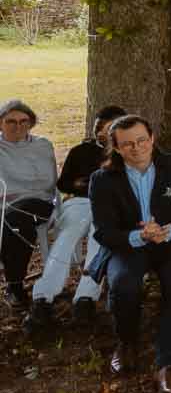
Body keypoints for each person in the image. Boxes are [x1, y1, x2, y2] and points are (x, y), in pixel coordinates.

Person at [87, 115, 171, 393]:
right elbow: (103, 232)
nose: (136, 148)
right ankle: (126, 343)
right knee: (124, 283)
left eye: (141, 140)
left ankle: (167, 363)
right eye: (127, 144)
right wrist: (139, 236)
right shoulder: (102, 179)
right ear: (115, 147)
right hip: (129, 245)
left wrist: (169, 230)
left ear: (152, 139)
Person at [25, 104, 126, 334]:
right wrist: (80, 184)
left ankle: (85, 299)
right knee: (66, 237)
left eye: (107, 127)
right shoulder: (81, 151)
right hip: (79, 202)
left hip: (110, 207)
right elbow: (64, 184)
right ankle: (42, 298)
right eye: (97, 126)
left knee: (97, 239)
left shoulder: (126, 152)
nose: (100, 131)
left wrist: (90, 181)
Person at [1, 100, 57, 309]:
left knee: (14, 219)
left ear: (32, 123)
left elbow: (48, 181)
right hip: (5, 206)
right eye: (11, 122)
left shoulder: (42, 145)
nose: (18, 126)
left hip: (39, 204)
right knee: (11, 220)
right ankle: (14, 284)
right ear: (0, 123)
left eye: (24, 121)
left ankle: (14, 287)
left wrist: (11, 188)